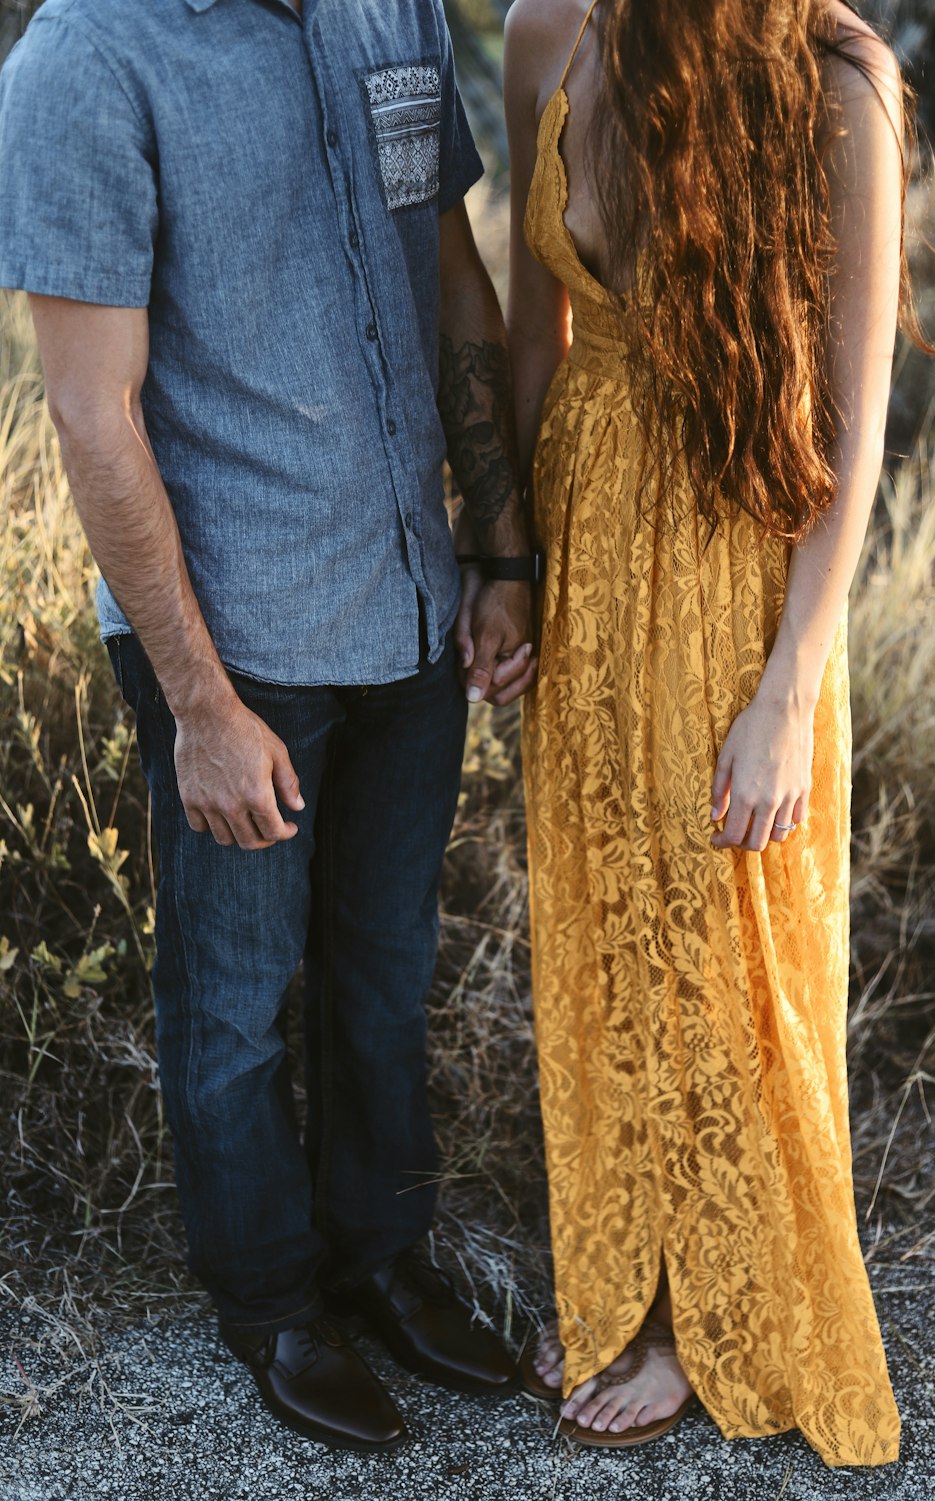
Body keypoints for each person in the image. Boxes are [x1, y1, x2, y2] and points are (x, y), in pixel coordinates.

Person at [0, 0, 538, 1455]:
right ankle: (274, 1300)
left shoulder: (396, 6)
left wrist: (496, 549)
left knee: (383, 971)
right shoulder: (84, 63)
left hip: (412, 610)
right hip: (233, 649)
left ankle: (382, 1256)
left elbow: (451, 272)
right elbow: (90, 413)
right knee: (232, 1007)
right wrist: (199, 704)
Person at [492, 0, 906, 1465]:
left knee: (719, 918)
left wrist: (794, 681)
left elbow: (856, 416)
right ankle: (619, 1269)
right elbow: (540, 336)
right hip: (589, 545)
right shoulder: (545, 38)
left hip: (739, 562)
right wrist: (511, 561)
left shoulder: (833, 85)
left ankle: (699, 1312)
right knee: (605, 910)